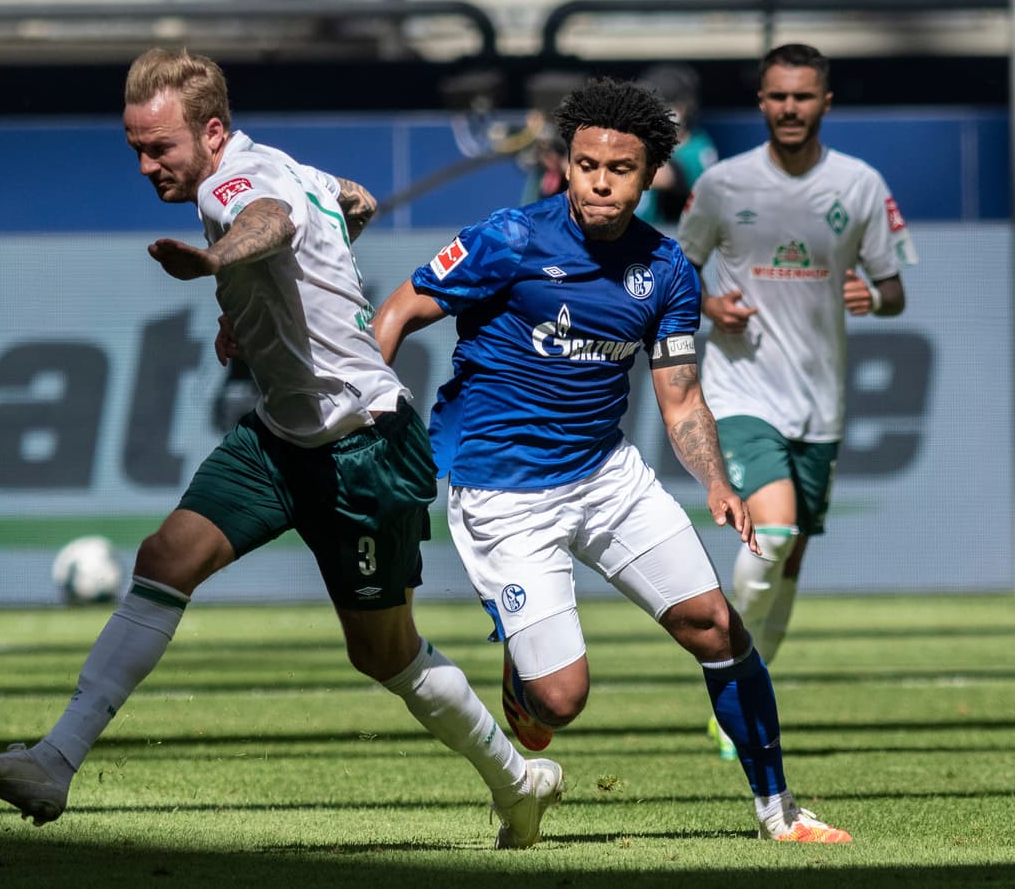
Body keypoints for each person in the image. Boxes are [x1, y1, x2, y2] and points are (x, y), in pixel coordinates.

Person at [0, 48, 563, 850]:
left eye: (158, 147)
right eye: (134, 146)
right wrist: (260, 300)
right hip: (279, 438)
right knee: (166, 557)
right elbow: (350, 200)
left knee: (383, 652)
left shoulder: (236, 186)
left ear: (212, 132)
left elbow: (265, 222)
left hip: (363, 448)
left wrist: (216, 263)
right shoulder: (275, 165)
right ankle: (54, 761)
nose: (144, 164)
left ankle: (517, 781)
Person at [372, 75, 851, 843]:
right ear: (568, 160)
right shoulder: (509, 238)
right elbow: (399, 308)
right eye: (585, 163)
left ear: (651, 173)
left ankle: (779, 813)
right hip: (503, 494)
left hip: (606, 478)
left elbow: (683, 397)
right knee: (559, 704)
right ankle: (526, 682)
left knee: (718, 627)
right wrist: (368, 411)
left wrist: (718, 482)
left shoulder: (665, 272)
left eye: (618, 168)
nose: (598, 179)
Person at [675, 44, 916, 761]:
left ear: (825, 103)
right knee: (772, 530)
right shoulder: (721, 185)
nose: (789, 109)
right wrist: (707, 303)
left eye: (803, 97)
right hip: (741, 390)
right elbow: (675, 272)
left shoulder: (861, 185)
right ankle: (730, 680)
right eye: (777, 97)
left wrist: (873, 295)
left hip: (822, 403)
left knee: (791, 559)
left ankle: (745, 691)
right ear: (761, 102)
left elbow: (895, 288)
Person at [632, 63, 718, 225]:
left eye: (659, 106)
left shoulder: (698, 148)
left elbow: (666, 176)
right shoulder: (641, 141)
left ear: (682, 108)